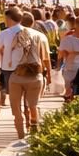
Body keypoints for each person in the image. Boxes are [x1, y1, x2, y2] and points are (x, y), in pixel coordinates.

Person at [7, 11, 50, 139]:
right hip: (35, 75)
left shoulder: (12, 35)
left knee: (16, 109)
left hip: (17, 75)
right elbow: (45, 58)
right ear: (33, 22)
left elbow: (7, 56)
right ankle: (34, 133)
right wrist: (49, 75)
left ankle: (21, 136)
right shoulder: (41, 36)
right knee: (33, 106)